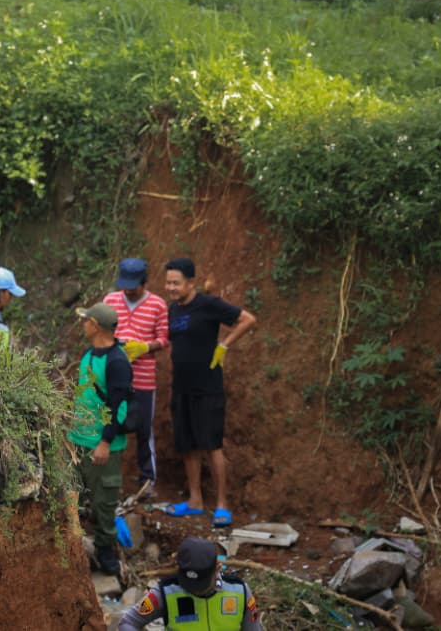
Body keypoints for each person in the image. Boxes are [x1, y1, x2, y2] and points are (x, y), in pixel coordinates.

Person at [162, 258, 257, 527]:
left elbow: (247, 320)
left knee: (211, 445)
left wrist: (224, 345)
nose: (170, 287)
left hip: (208, 388)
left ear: (191, 282)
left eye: (176, 283)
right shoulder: (173, 310)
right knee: (187, 445)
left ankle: (222, 505)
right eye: (168, 282)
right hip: (181, 387)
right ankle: (194, 500)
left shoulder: (208, 304)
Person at [67, 302, 134, 576]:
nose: (82, 325)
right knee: (74, 498)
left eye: (85, 321)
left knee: (104, 503)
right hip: (78, 441)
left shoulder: (117, 361)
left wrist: (105, 442)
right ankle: (75, 549)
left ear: (95, 325)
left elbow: (120, 406)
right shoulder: (89, 353)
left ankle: (106, 553)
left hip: (101, 445)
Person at [103, 257, 170, 494]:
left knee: (143, 429)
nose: (129, 291)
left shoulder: (158, 305)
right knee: (110, 425)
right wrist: (116, 346)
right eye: (125, 286)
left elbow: (164, 338)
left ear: (144, 282)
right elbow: (102, 331)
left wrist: (144, 347)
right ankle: (111, 478)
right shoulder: (110, 300)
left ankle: (147, 481)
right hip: (114, 376)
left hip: (143, 377)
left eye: (134, 287)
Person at [117, 537, 263, 631]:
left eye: (201, 584)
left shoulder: (239, 591)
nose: (194, 591)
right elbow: (129, 622)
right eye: (188, 583)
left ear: (217, 569)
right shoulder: (166, 592)